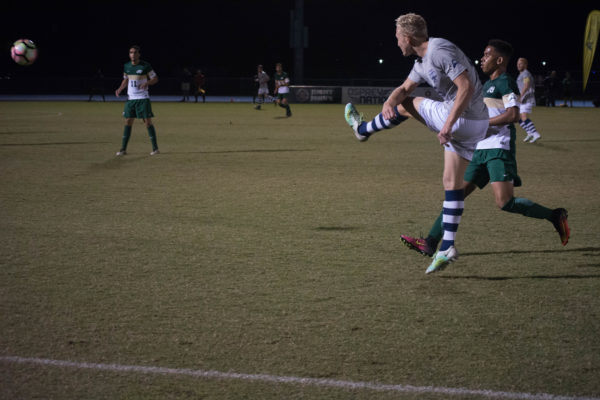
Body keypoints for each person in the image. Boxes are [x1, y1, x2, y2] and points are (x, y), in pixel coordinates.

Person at [399, 40, 570, 269]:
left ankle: (555, 215)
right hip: (478, 149)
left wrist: (481, 123)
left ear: (499, 60)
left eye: (487, 55)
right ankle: (430, 242)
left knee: (504, 202)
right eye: (483, 54)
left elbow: (513, 115)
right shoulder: (484, 84)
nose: (483, 58)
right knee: (455, 194)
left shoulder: (505, 81)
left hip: (499, 148)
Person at [344, 13, 489, 274]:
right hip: (475, 126)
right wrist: (389, 101)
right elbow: (404, 88)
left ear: (408, 38)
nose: (397, 42)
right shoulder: (423, 61)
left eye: (398, 38)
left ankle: (363, 130)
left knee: (409, 105)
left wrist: (446, 125)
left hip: (462, 119)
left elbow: (465, 87)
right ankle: (447, 247)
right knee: (452, 184)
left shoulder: (438, 50)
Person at [114, 45, 160, 156]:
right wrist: (120, 88)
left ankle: (155, 149)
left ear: (139, 54)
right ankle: (123, 149)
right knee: (128, 122)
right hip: (131, 99)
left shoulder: (145, 66)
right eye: (131, 52)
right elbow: (126, 79)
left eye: (135, 52)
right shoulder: (126, 66)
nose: (132, 54)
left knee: (147, 123)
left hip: (143, 98)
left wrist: (147, 83)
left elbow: (155, 79)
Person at [516, 58, 541, 143]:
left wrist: (520, 96)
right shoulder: (521, 74)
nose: (518, 65)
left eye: (521, 64)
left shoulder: (526, 74)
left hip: (527, 99)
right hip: (522, 99)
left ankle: (535, 133)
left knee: (523, 117)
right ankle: (529, 133)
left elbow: (526, 86)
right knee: (518, 118)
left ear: (525, 65)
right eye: (518, 64)